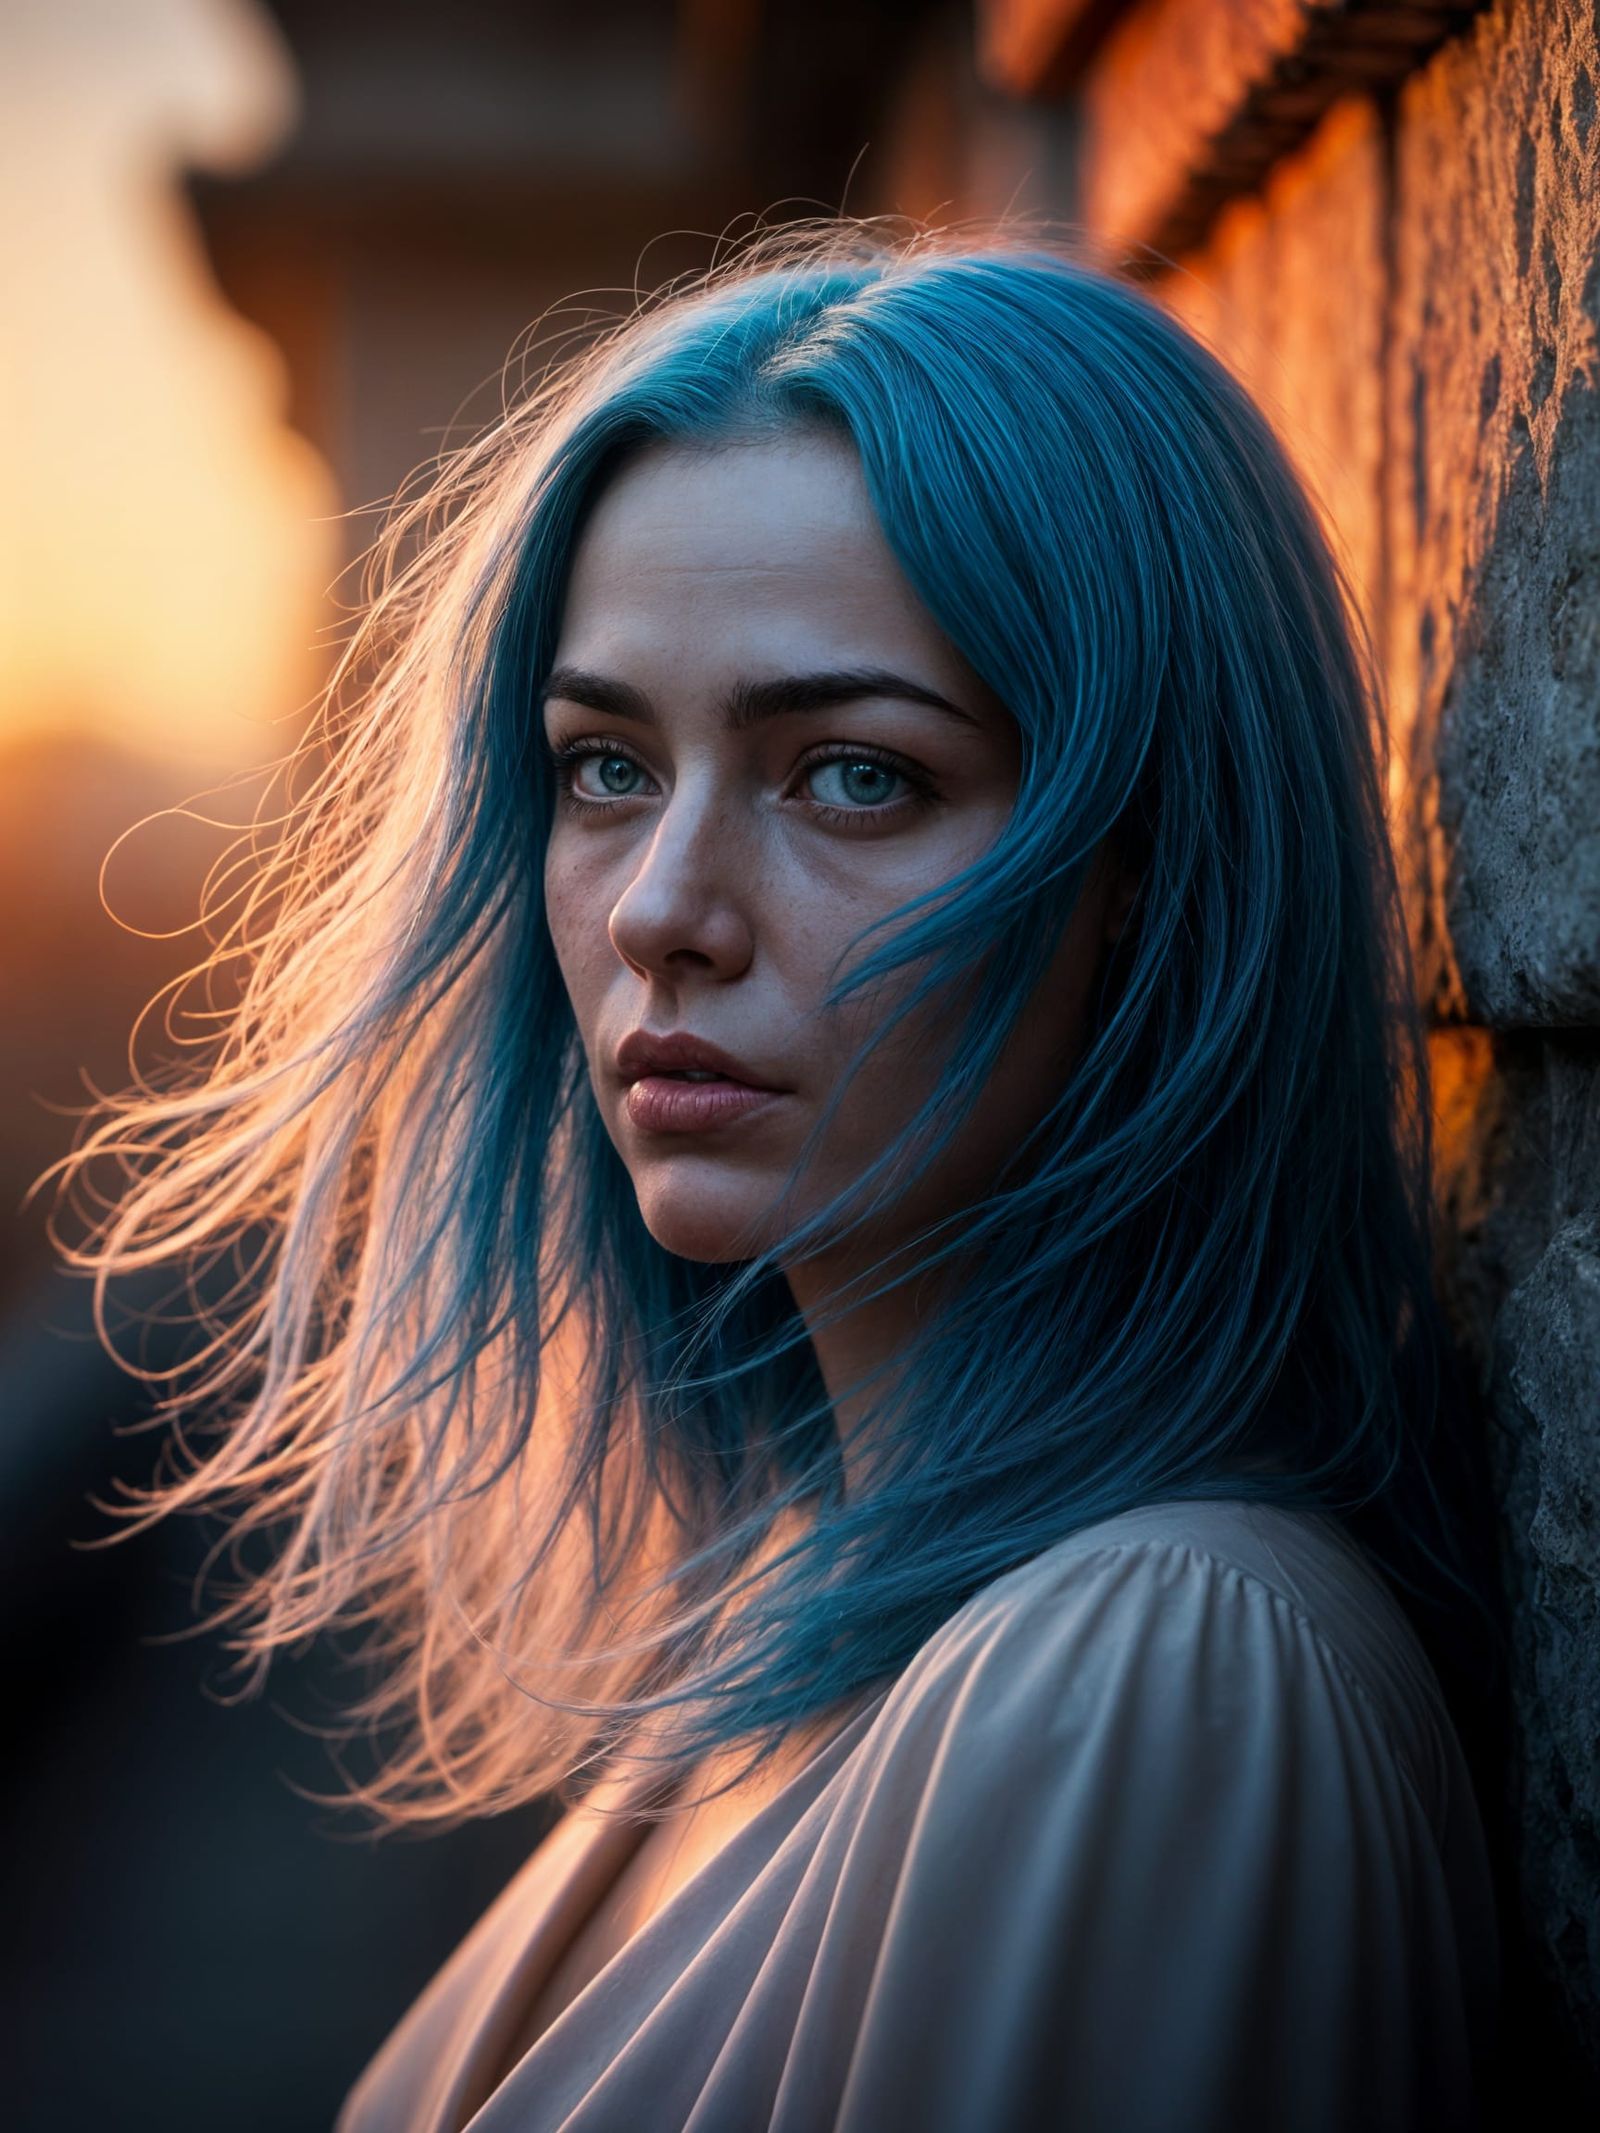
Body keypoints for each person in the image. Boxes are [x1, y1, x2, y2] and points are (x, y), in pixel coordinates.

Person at [42, 220, 1500, 2130]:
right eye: (605, 767)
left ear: (1145, 871)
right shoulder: (794, 1613)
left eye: (854, 775)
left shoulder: (1165, 1676)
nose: (662, 911)